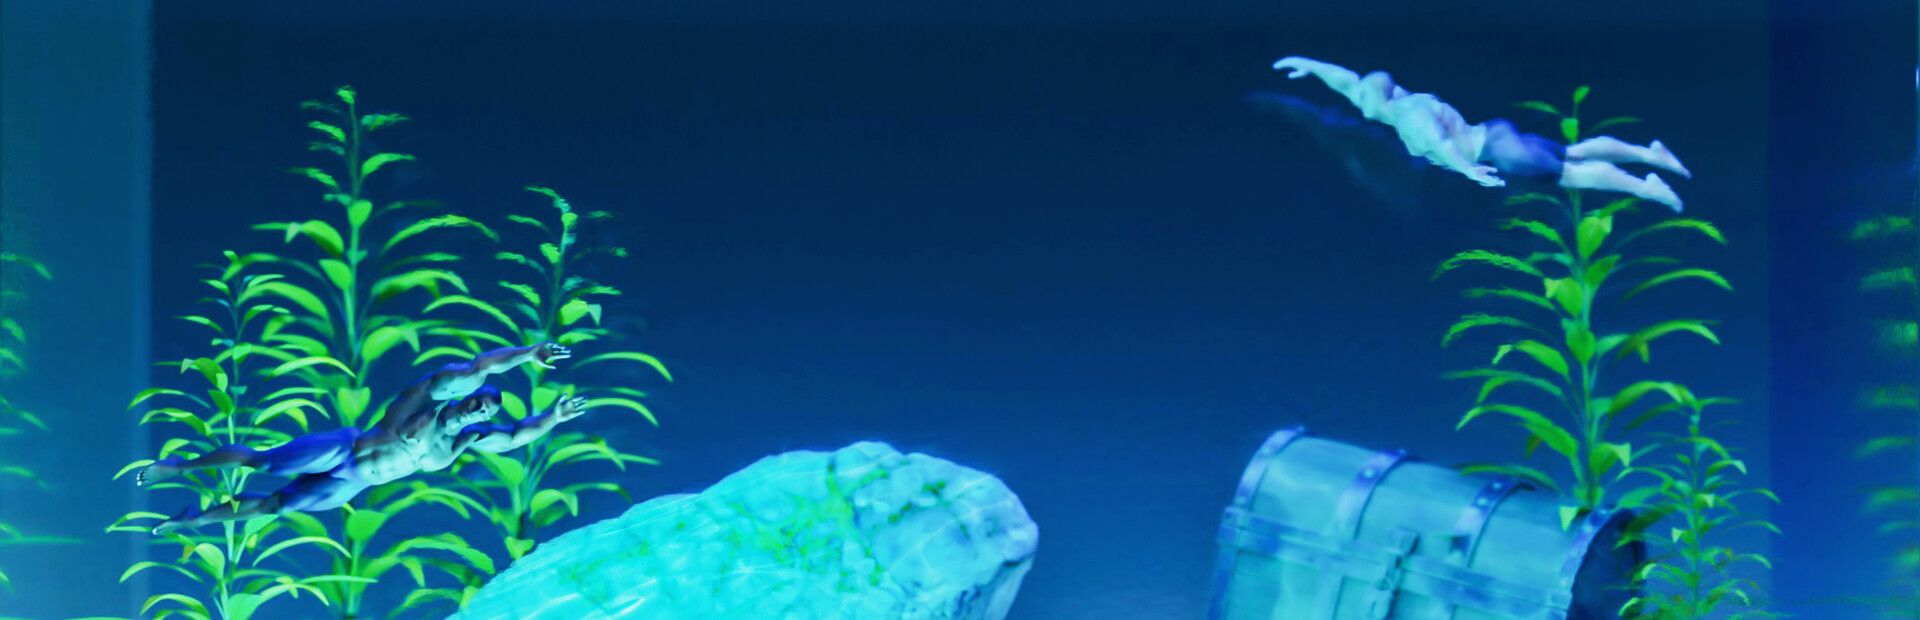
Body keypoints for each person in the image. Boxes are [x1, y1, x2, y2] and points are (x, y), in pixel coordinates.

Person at [138, 342, 587, 535]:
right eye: (478, 401)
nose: (480, 410)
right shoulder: (429, 397)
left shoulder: (463, 442)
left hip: (352, 483)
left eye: (487, 411)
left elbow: (514, 436)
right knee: (264, 462)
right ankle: (179, 467)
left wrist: (554, 416)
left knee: (277, 506)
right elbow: (480, 366)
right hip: (345, 449)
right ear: (467, 396)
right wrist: (528, 354)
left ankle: (193, 520)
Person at [1271, 56, 1693, 212]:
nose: (1359, 105)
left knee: (1571, 174)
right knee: (1572, 152)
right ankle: (1650, 154)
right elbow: (1346, 81)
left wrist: (1467, 170)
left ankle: (1646, 186)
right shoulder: (1395, 97)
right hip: (1495, 134)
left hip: (1497, 152)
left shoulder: (1408, 114)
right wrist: (1310, 65)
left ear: (1377, 101)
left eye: (1364, 101)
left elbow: (1436, 144)